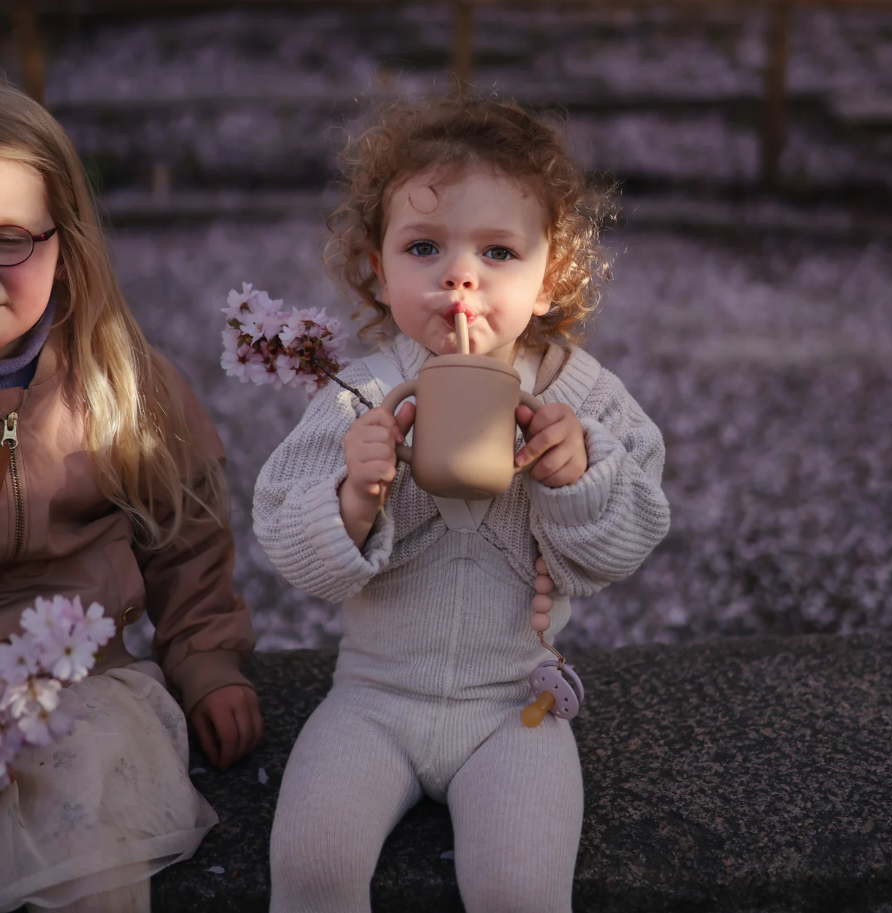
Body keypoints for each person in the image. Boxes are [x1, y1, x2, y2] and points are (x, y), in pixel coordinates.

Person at [253, 94, 670, 913]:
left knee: (519, 888)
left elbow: (632, 535)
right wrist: (351, 496)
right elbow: (281, 532)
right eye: (423, 246)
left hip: (515, 703)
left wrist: (579, 473)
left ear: (551, 277)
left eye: (498, 251)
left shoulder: (584, 402)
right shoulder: (359, 396)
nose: (460, 275)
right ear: (376, 265)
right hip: (372, 696)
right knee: (310, 862)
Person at [0, 83, 263, 913]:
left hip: (88, 683)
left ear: (65, 249)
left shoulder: (120, 383)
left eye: (8, 241)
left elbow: (184, 534)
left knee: (88, 837)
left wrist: (207, 657)